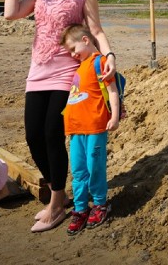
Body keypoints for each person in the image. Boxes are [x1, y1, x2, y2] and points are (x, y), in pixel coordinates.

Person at [4, 0, 117, 233]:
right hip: (38, 70)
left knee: (52, 132)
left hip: (69, 72)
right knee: (32, 134)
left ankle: (56, 203)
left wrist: (110, 56)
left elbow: (96, 30)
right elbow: (11, 13)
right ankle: (60, 192)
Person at [59, 24, 120, 235]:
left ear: (86, 40)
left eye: (74, 49)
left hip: (95, 127)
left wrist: (114, 116)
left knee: (95, 167)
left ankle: (101, 204)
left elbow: (112, 91)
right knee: (78, 171)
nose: (73, 55)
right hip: (75, 130)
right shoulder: (79, 67)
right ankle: (80, 207)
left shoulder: (99, 62)